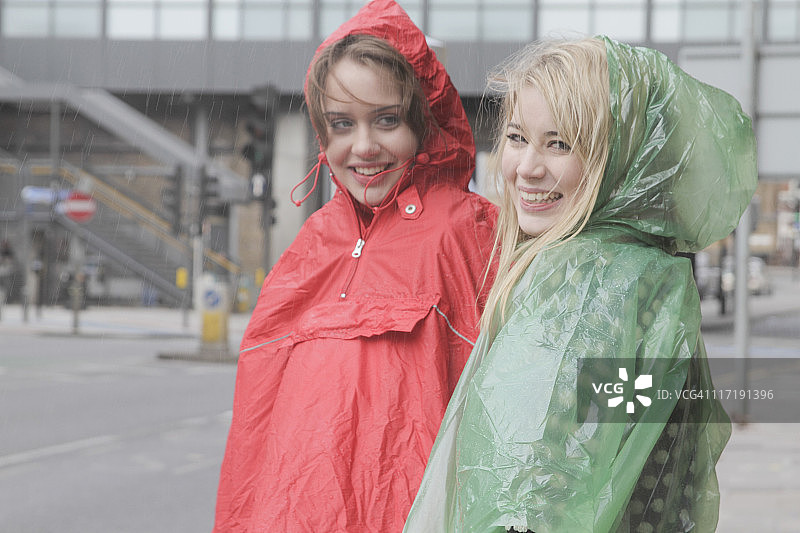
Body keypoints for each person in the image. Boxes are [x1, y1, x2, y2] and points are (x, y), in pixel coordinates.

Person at [404, 37, 757, 533]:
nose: (526, 168)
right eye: (516, 137)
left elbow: (533, 483)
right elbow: (616, 434)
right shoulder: (653, 275)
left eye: (559, 143)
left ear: (619, 159)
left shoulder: (583, 285)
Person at [213, 1, 496, 531]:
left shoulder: (469, 231)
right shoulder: (314, 242)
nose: (363, 147)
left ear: (424, 123)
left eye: (386, 120)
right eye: (342, 124)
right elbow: (256, 431)